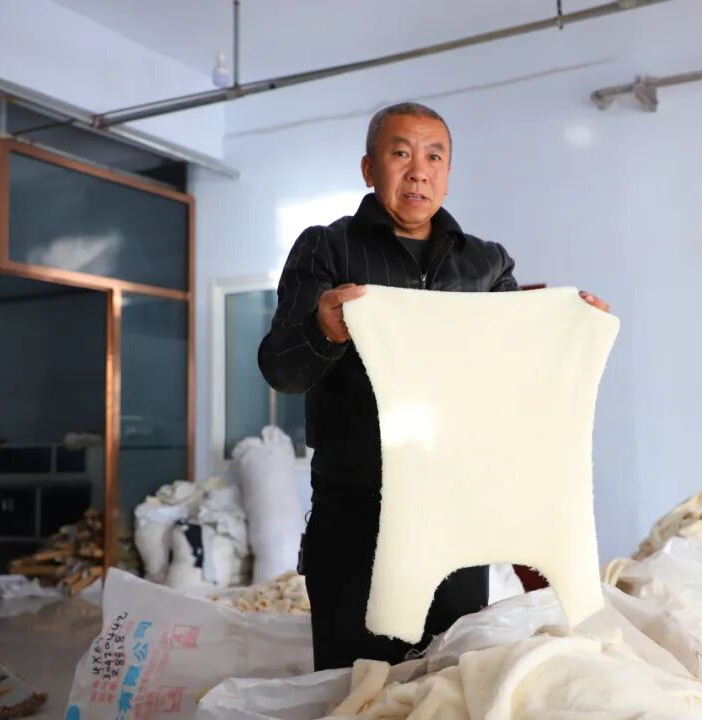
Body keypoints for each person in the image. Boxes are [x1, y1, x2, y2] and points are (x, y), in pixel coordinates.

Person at [259, 102, 610, 672]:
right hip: (355, 512)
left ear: (448, 173)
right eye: (400, 153)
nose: (418, 171)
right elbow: (281, 369)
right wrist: (324, 329)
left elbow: (517, 376)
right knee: (354, 684)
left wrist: (570, 329)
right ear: (369, 169)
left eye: (434, 156)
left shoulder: (487, 264)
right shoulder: (328, 249)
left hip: (458, 512)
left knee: (446, 679)